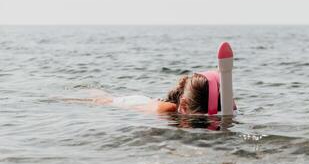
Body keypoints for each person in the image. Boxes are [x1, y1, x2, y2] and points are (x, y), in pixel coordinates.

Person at [63, 70, 237, 115]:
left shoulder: (215, 107)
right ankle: (86, 89)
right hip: (132, 103)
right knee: (101, 99)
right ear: (183, 105)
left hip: (147, 100)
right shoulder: (165, 109)